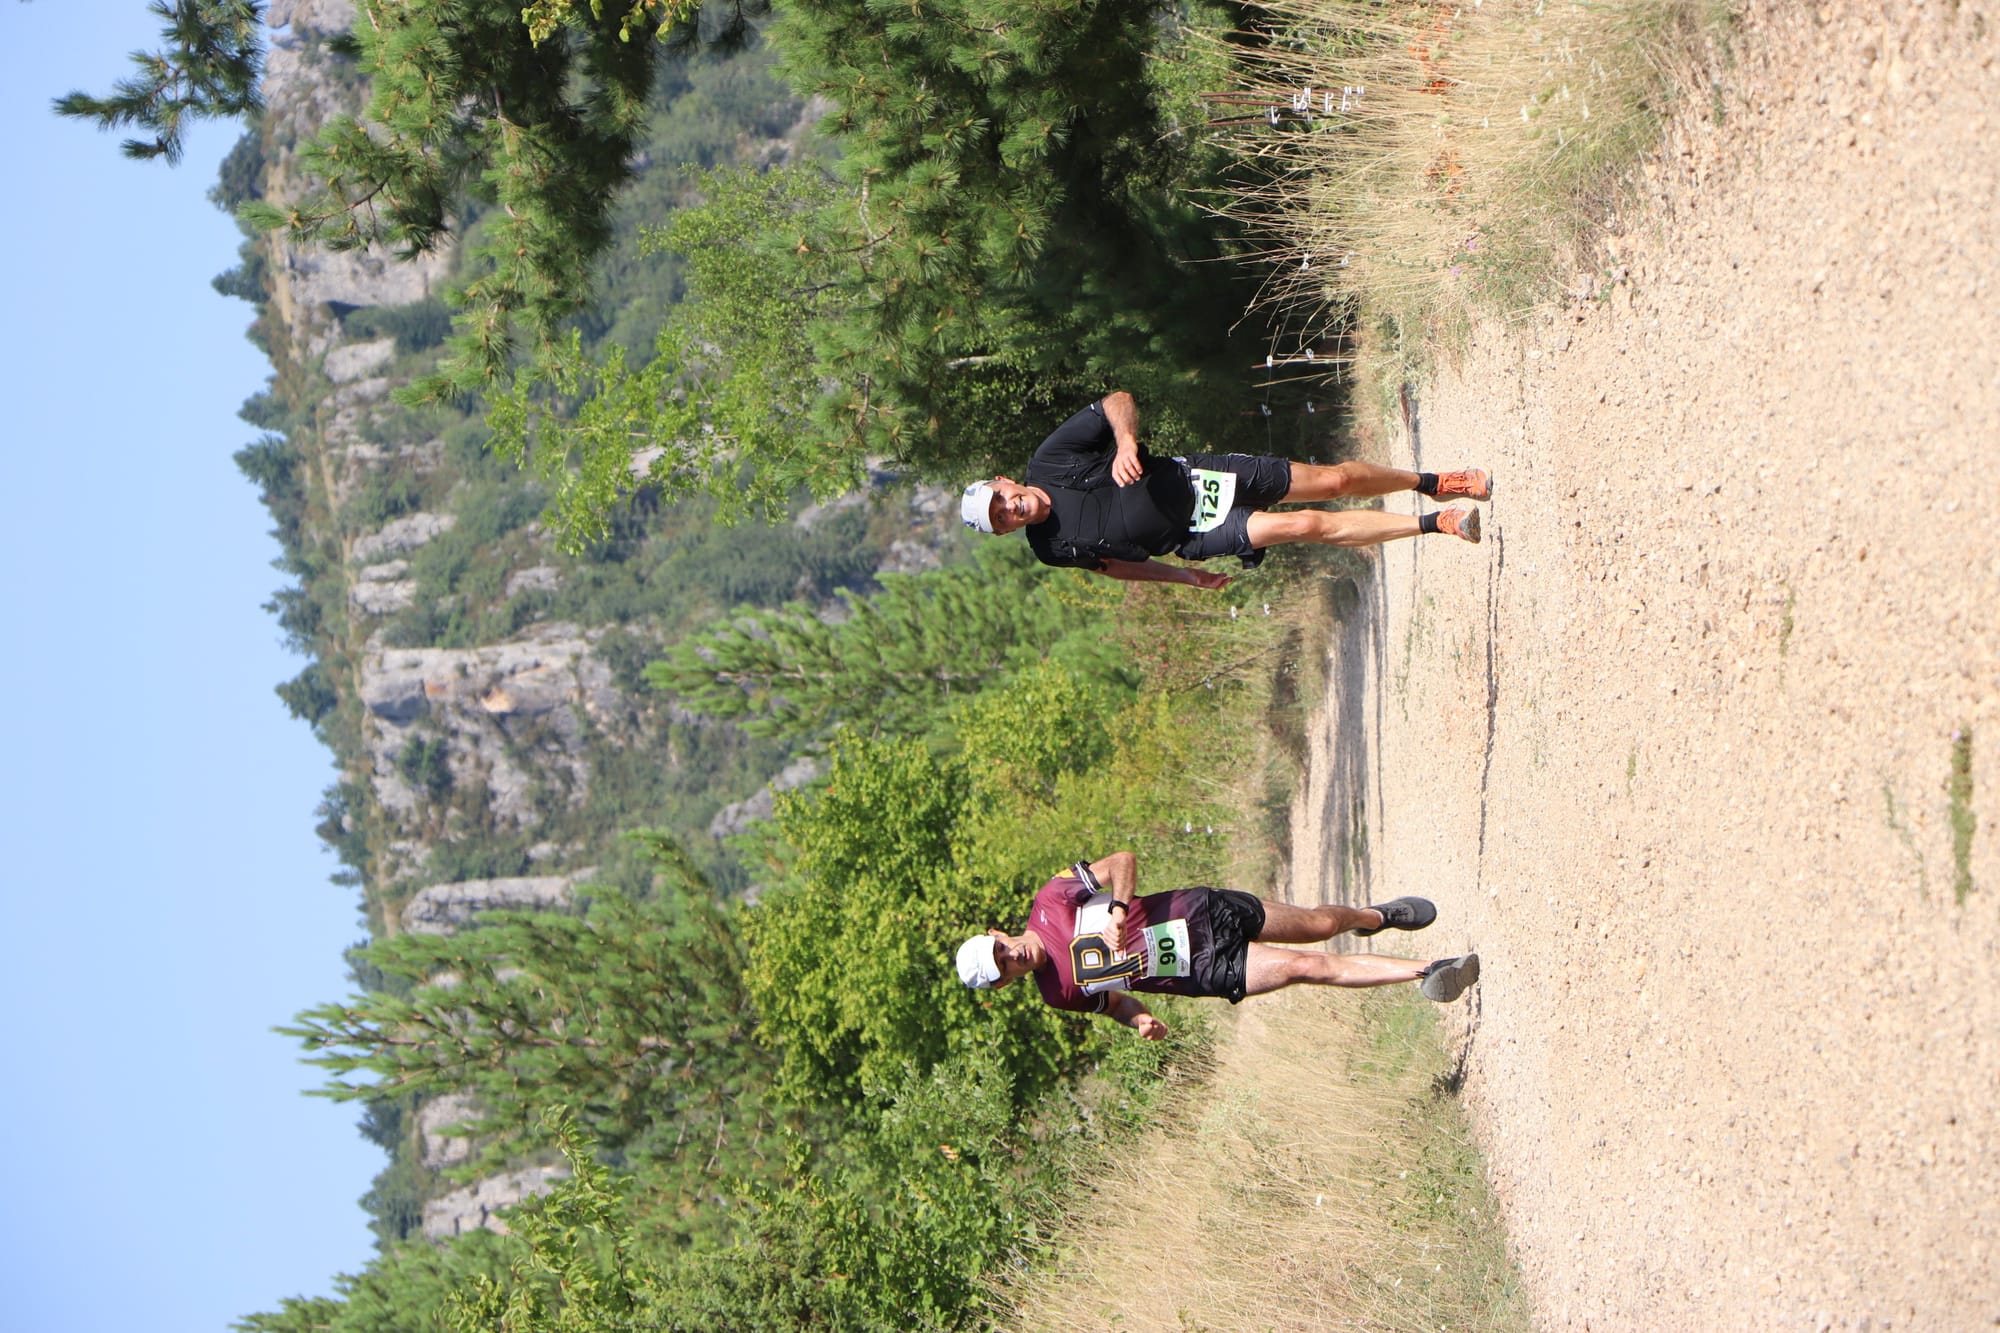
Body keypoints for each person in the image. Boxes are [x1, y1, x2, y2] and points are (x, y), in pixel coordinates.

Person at [960, 391, 1491, 589]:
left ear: (1005, 482)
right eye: (1000, 519)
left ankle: (1433, 484)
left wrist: (1125, 443)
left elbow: (1116, 400)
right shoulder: (1049, 548)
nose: (1009, 510)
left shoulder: (1050, 459)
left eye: (1000, 499)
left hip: (1201, 478)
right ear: (1005, 531)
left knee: (1336, 480)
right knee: (1303, 524)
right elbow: (1115, 566)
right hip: (1195, 533)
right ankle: (1437, 524)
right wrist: (1182, 575)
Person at [953, 851, 1479, 1039]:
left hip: (1201, 911)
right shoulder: (1056, 995)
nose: (1010, 957)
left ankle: (1376, 916)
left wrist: (1117, 908)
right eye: (1001, 969)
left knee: (1319, 924)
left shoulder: (1051, 898)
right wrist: (1137, 1019)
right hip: (1199, 969)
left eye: (999, 949)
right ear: (1002, 984)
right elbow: (1112, 1002)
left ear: (998, 935)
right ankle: (1432, 972)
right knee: (1305, 965)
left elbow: (1123, 861)